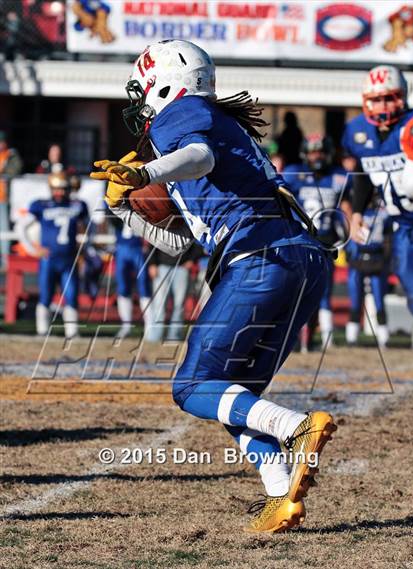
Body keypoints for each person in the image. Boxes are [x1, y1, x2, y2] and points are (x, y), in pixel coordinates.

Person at [90, 39, 337, 533]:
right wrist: (122, 209)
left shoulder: (182, 118)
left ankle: (295, 427)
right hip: (301, 257)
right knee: (234, 392)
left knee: (191, 386)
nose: (141, 103)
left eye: (144, 89)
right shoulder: (219, 126)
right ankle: (279, 496)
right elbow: (180, 242)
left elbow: (199, 157)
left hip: (261, 256)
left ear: (166, 84)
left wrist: (145, 171)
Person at [342, 65, 413, 349]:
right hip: (405, 227)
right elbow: (363, 174)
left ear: (403, 96)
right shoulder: (357, 131)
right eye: (376, 99)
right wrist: (358, 213)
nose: (383, 106)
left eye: (390, 98)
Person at [282, 134, 351, 349]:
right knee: (292, 291)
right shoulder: (294, 174)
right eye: (313, 151)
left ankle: (316, 338)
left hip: (325, 243)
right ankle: (288, 338)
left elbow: (347, 206)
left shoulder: (339, 177)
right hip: (298, 241)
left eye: (320, 151)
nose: (317, 155)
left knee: (320, 291)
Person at [17, 171, 89, 339]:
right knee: (45, 295)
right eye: (56, 189)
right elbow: (20, 227)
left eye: (63, 189)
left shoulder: (77, 205)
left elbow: (88, 227)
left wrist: (84, 247)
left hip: (69, 259)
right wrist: (33, 249)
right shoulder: (41, 205)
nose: (60, 192)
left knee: (71, 295)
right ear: (50, 188)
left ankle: (72, 333)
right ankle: (42, 331)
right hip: (48, 259)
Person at [345, 197, 392, 348]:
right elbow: (349, 239)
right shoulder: (356, 214)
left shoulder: (384, 214)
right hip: (358, 260)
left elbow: (388, 238)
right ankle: (351, 337)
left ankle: (383, 337)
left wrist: (386, 258)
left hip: (376, 259)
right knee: (355, 299)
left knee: (379, 299)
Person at [144, 244, 203, 343]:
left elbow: (196, 242)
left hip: (182, 267)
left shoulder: (187, 228)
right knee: (159, 304)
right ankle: (155, 337)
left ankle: (174, 337)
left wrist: (192, 260)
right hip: (161, 267)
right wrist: (152, 263)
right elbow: (153, 242)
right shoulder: (163, 227)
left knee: (179, 305)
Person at [111, 216, 152, 339]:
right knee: (123, 287)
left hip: (139, 247)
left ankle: (149, 326)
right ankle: (126, 326)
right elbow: (111, 216)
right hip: (122, 247)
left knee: (144, 287)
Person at [0, 130, 23, 265]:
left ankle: (5, 261)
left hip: (3, 198)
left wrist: (3, 170)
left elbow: (15, 170)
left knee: (4, 230)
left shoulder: (11, 155)